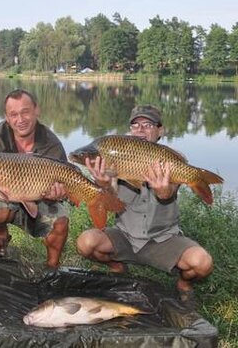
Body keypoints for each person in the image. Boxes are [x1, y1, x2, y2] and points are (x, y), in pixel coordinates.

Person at [75, 105, 214, 306]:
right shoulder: (117, 153)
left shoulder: (168, 158)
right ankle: (118, 266)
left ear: (160, 131)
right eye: (135, 125)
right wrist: (104, 184)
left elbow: (168, 194)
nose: (140, 129)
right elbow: (111, 199)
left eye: (147, 124)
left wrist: (162, 190)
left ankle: (184, 284)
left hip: (163, 239)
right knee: (86, 242)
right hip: (125, 236)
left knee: (202, 263)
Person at [0, 88, 69, 268]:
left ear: (37, 110)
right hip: (2, 196)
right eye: (14, 114)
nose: (20, 120)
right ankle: (1, 232)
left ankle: (52, 267)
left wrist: (57, 194)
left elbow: (64, 188)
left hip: (40, 198)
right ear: (7, 117)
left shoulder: (51, 142)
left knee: (61, 222)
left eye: (25, 112)